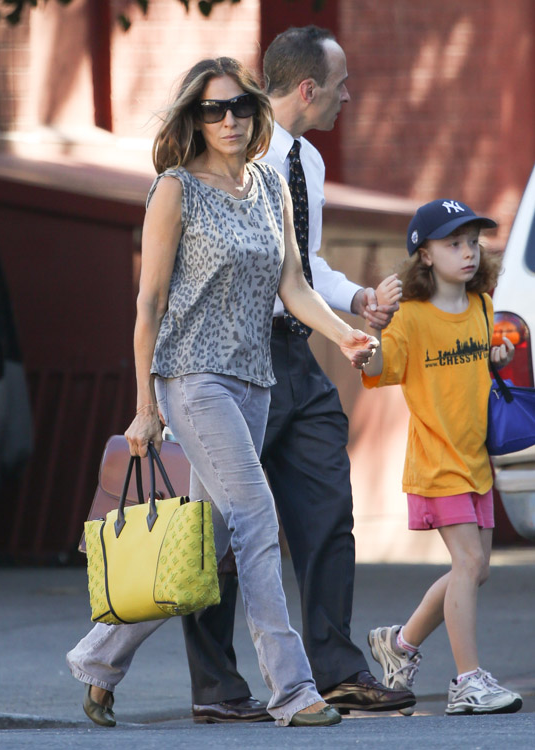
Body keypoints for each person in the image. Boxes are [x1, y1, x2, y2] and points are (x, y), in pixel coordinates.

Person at [66, 55, 380, 728]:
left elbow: (292, 287)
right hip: (192, 381)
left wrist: (345, 333)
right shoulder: (175, 189)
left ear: (255, 111)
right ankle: (292, 690)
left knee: (203, 545)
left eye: (238, 106)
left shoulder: (269, 186)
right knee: (257, 520)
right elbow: (148, 304)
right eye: (213, 109)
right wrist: (146, 407)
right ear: (194, 118)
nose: (229, 119)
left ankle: (97, 661)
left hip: (254, 383)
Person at [184, 26, 416, 724]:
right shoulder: (221, 159)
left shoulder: (306, 163)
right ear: (308, 86)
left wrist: (355, 305)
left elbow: (301, 269)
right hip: (227, 361)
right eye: (341, 84)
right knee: (219, 530)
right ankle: (217, 687)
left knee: (326, 507)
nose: (348, 96)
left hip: (296, 355)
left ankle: (334, 668)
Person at [363, 198, 523, 715]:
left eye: (473, 242)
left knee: (474, 573)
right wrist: (374, 336)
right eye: (454, 243)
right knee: (469, 562)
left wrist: (495, 356)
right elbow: (380, 368)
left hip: (475, 459)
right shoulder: (411, 319)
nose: (468, 252)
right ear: (424, 255)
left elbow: (474, 367)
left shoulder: (480, 307)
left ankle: (401, 643)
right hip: (436, 463)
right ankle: (467, 682)